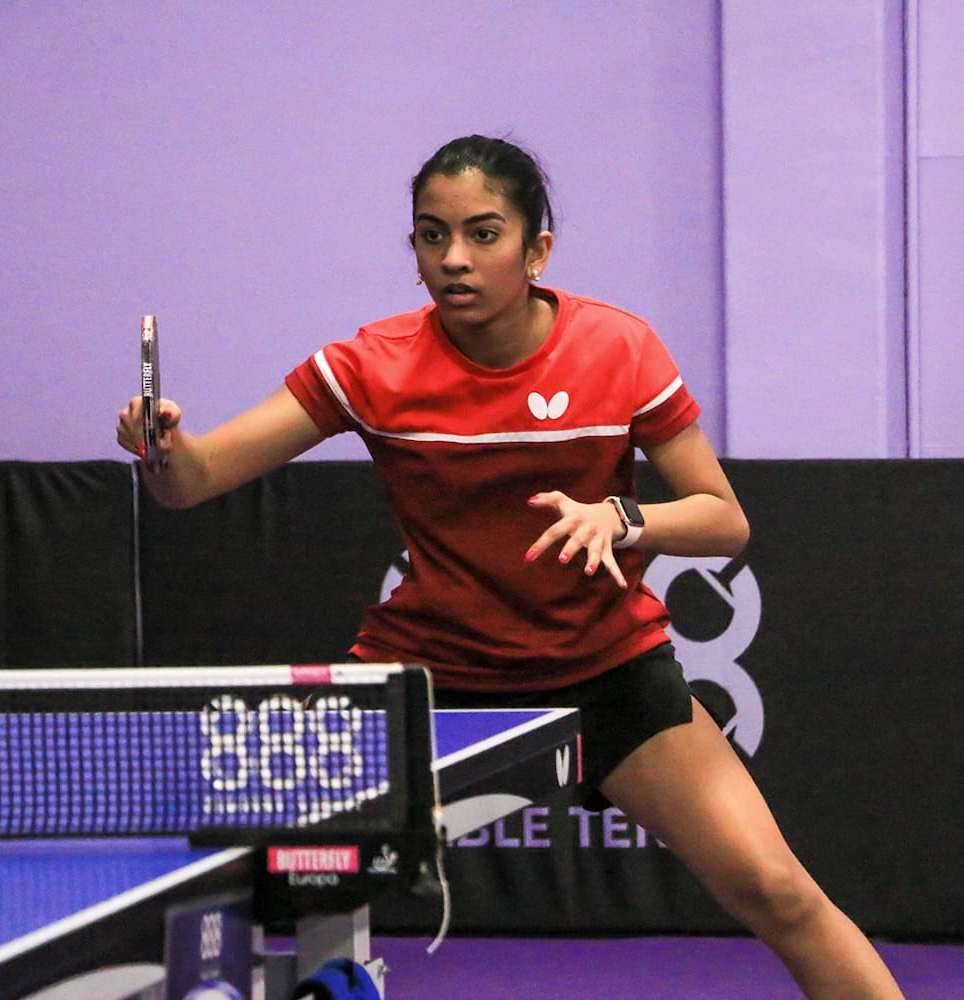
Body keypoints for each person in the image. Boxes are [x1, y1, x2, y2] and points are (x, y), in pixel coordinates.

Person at [116, 135, 904, 998]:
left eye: (483, 234)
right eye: (431, 234)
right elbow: (189, 485)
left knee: (779, 892)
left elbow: (725, 523)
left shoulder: (619, 349)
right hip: (426, 679)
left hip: (605, 672)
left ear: (537, 251)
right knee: (265, 882)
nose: (453, 258)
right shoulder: (369, 366)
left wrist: (622, 515)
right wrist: (160, 449)